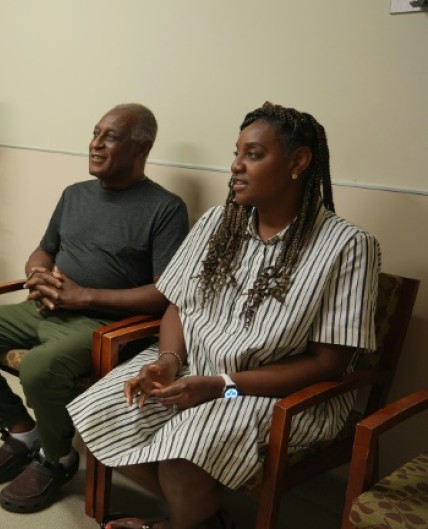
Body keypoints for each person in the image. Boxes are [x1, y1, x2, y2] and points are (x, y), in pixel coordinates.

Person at [68, 102, 381, 529]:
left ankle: (176, 522)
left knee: (180, 460)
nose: (235, 166)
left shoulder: (347, 245)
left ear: (299, 161)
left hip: (265, 394)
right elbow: (178, 303)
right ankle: (205, 518)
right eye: (236, 153)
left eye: (253, 154)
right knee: (95, 417)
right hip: (192, 369)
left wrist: (222, 387)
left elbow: (328, 364)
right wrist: (167, 362)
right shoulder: (219, 222)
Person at [0, 104, 189, 513]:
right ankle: (22, 433)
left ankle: (58, 457)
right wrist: (37, 273)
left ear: (142, 147)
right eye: (95, 133)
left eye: (110, 137)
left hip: (104, 327)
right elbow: (44, 249)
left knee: (38, 367)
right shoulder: (74, 195)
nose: (95, 144)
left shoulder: (165, 208)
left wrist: (83, 296)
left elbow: (164, 294)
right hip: (45, 308)